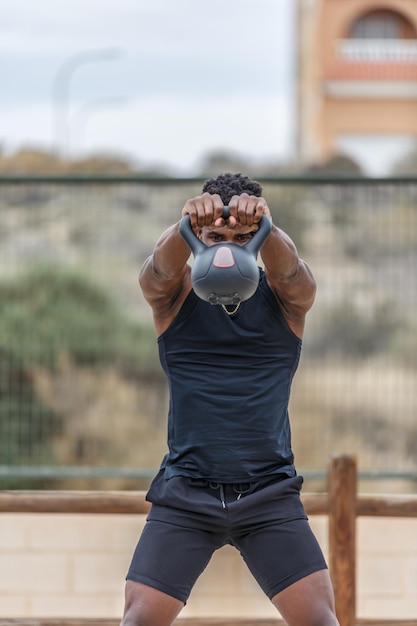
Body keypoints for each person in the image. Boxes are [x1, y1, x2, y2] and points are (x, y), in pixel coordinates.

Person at [121, 173, 339, 626]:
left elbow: (291, 271)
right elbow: (157, 272)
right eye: (215, 237)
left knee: (320, 621)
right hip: (186, 493)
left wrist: (267, 225)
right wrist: (182, 220)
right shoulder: (174, 296)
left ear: (259, 240)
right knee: (139, 619)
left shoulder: (287, 299)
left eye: (243, 238)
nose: (228, 248)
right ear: (195, 237)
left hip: (268, 493)